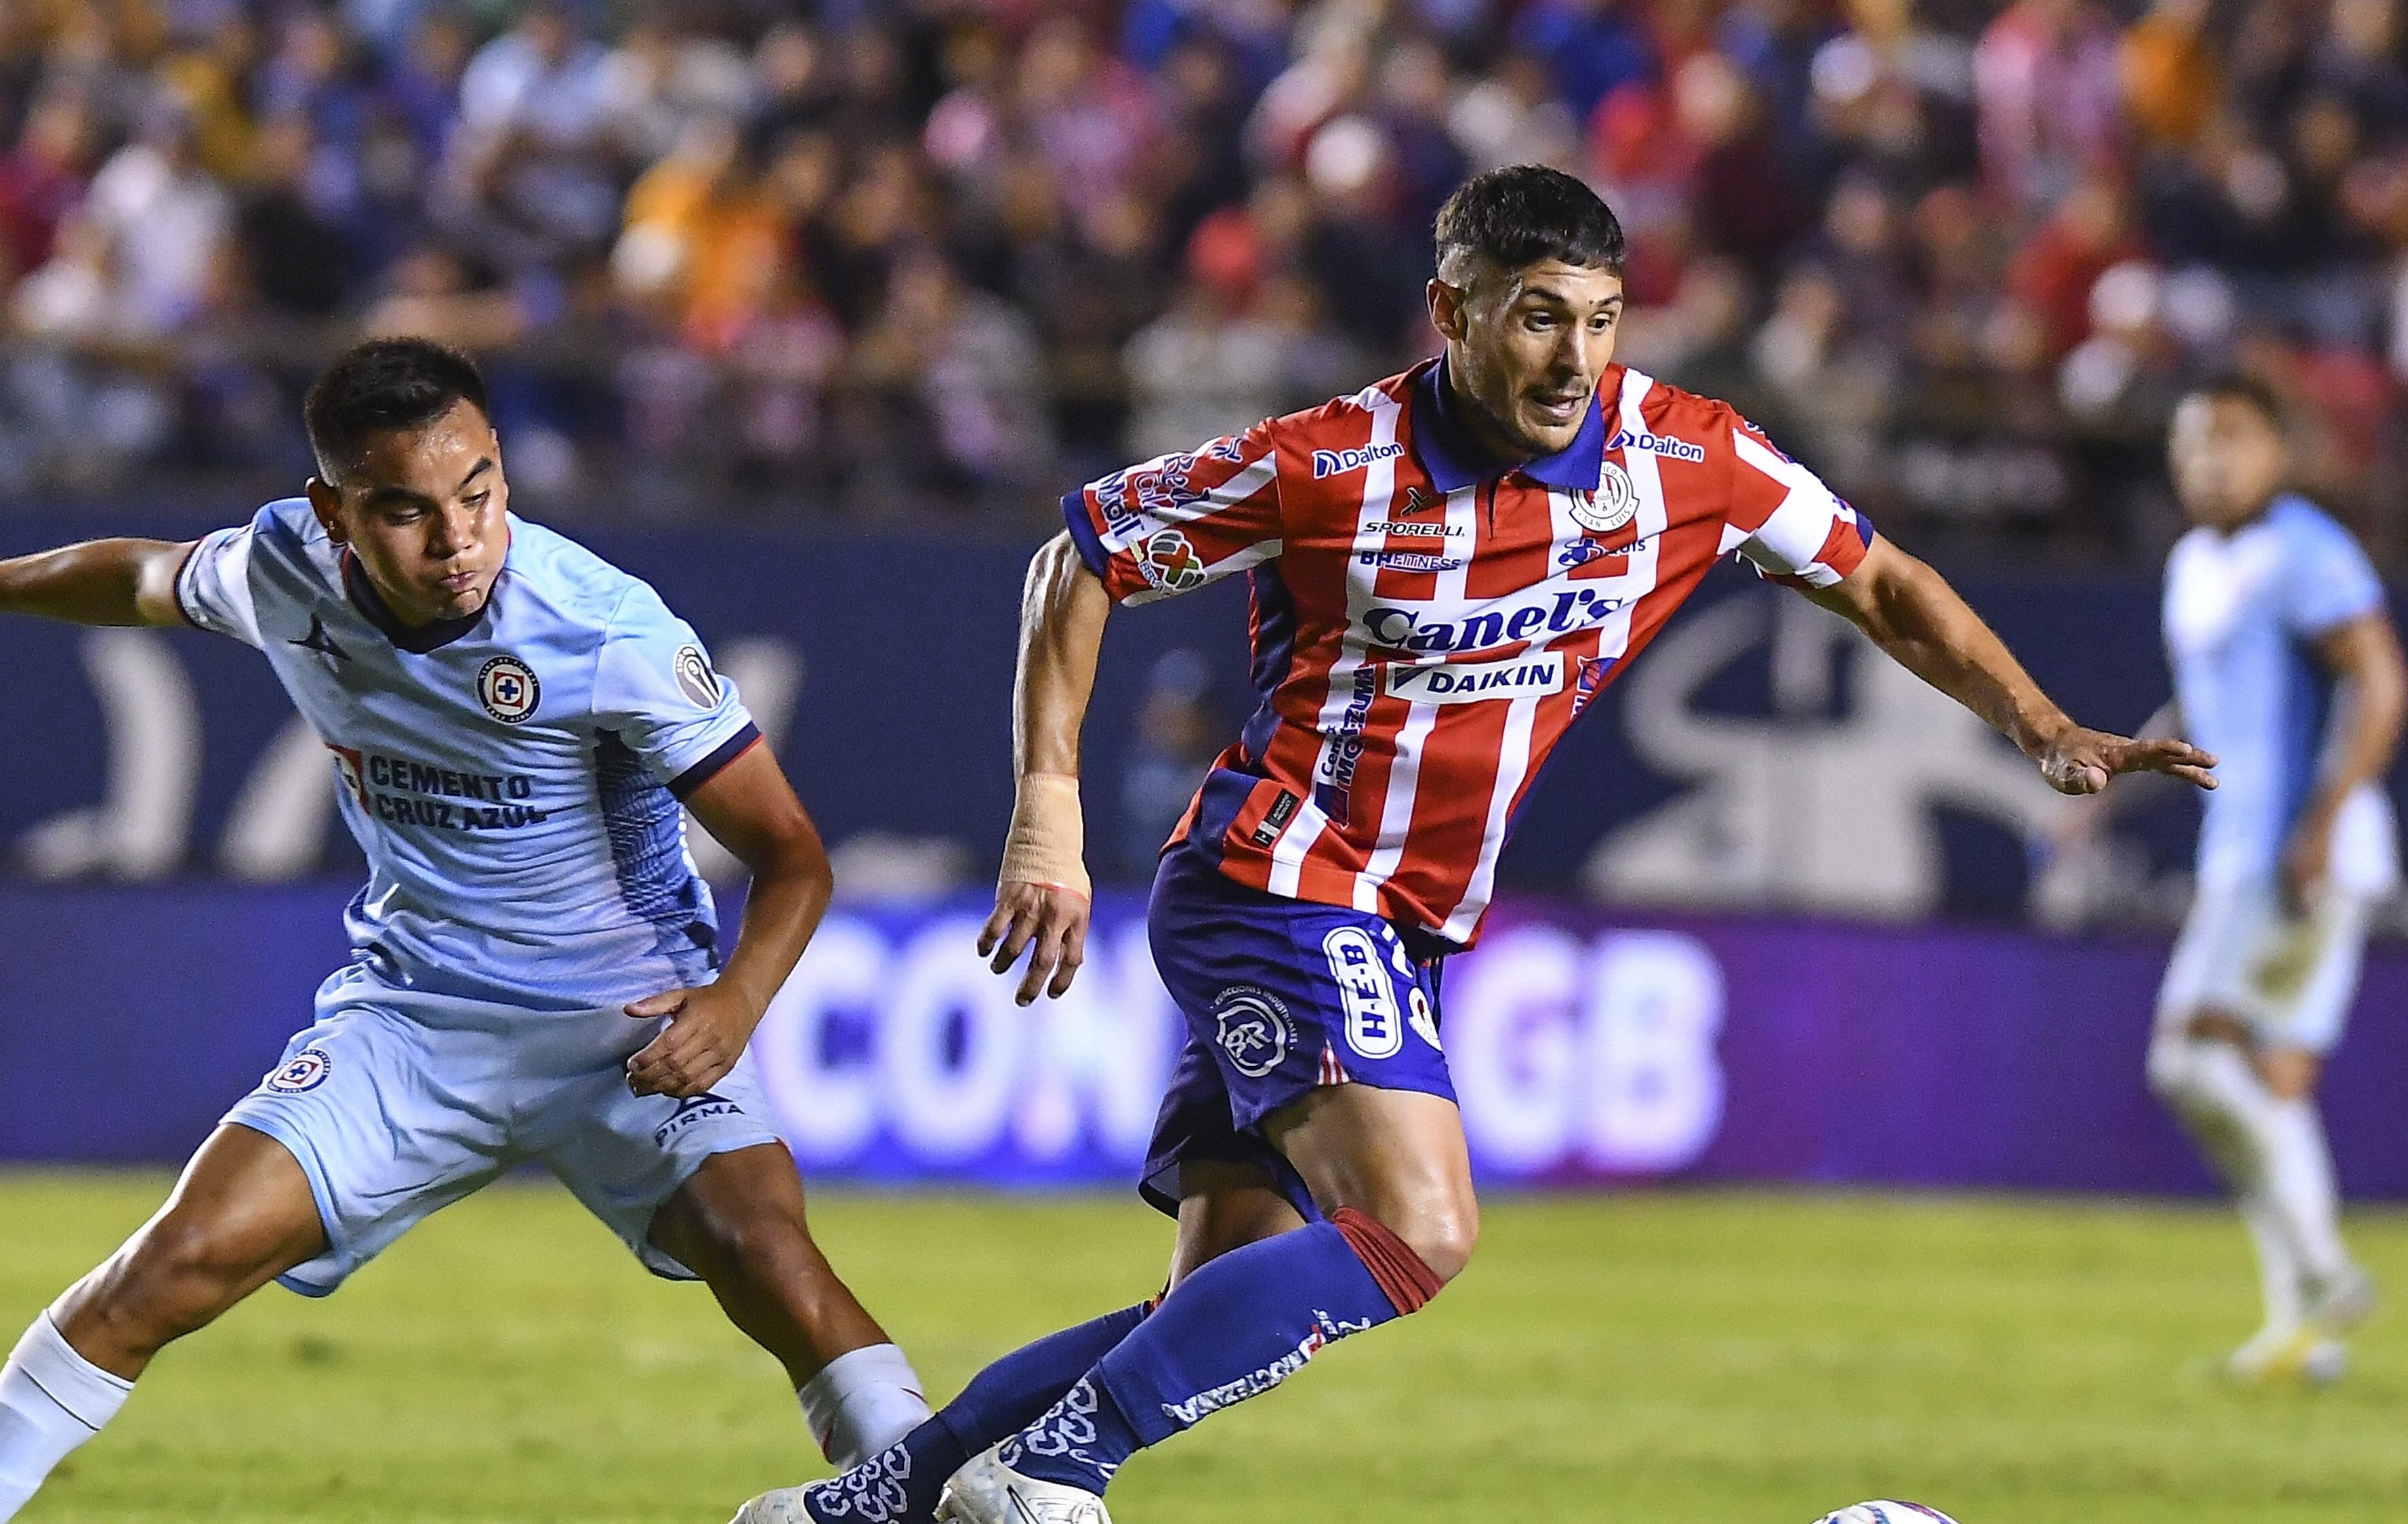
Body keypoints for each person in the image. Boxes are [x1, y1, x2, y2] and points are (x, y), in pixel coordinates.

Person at [732, 165, 2214, 1524]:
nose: (1575, 359)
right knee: (1419, 1226)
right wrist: (1047, 810)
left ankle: (873, 1504)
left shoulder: (1685, 458)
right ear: (1451, 313)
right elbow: (1081, 560)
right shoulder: (1332, 463)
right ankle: (1054, 1470)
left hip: (1398, 920)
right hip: (1279, 877)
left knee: (1217, 1302)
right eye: (1537, 319)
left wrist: (2039, 726)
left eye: (1601, 320)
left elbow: (1877, 579)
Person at [0, 338, 930, 1524]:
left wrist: (734, 1004)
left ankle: (940, 1497)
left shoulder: (606, 630)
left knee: (771, 1261)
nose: (458, 540)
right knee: (169, 1267)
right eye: (408, 512)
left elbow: (793, 854)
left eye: (478, 494)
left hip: (625, 1029)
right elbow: (135, 576)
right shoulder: (285, 567)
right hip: (415, 1022)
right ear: (333, 511)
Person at [2129, 377, 2399, 1382]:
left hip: (2295, 851)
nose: (2212, 460)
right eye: (2194, 441)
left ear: (2278, 453)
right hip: (2246, 848)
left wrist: (2321, 824)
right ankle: (2304, 1332)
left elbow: (2380, 679)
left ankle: (2323, 1272)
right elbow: (2207, 701)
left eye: (2234, 438)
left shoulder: (2305, 549)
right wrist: (2111, 787)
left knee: (2188, 1059)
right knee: (2270, 1084)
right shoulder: (2195, 563)